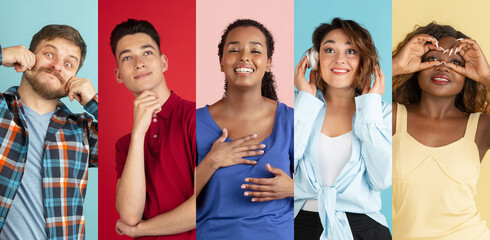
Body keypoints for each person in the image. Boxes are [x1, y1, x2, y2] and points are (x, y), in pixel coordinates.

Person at [294, 18, 392, 240]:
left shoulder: (381, 113)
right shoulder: (298, 107)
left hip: (365, 229)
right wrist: (305, 101)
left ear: (363, 61)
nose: (339, 59)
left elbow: (381, 179)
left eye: (351, 51)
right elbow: (285, 162)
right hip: (300, 226)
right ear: (314, 59)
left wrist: (370, 106)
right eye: (330, 49)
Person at [195, 19, 294, 239]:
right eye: (234, 50)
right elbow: (175, 200)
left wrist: (294, 189)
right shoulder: (194, 123)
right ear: (221, 61)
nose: (244, 57)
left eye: (255, 50)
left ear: (268, 63)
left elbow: (327, 189)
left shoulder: (290, 121)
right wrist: (211, 162)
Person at [392, 22, 490, 240]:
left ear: (467, 75)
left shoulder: (481, 126)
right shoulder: (393, 117)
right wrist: (396, 66)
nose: (443, 67)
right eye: (433, 58)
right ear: (417, 67)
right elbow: (342, 102)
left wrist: (486, 77)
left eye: (455, 62)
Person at [0, 24, 98, 239]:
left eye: (69, 63)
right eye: (48, 54)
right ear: (27, 57)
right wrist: (1, 54)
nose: (57, 66)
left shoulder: (82, 131)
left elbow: (133, 140)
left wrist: (94, 101)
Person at [110, 19, 196, 239]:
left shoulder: (197, 118)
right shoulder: (125, 145)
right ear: (119, 74)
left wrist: (142, 230)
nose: (138, 63)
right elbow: (129, 215)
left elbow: (208, 203)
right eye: (127, 57)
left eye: (147, 53)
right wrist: (138, 133)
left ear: (163, 62)